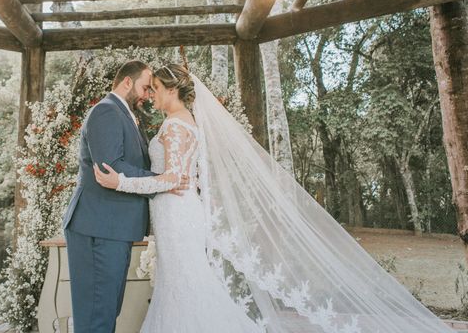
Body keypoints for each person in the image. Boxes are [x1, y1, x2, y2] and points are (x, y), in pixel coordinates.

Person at [95, 64, 453, 333]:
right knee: (183, 282)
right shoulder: (186, 122)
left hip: (177, 214)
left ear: (172, 90)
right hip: (177, 214)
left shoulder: (174, 126)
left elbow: (174, 178)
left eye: (155, 88)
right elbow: (191, 177)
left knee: (186, 284)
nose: (151, 95)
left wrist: (121, 183)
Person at [62, 60, 188, 333]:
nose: (147, 95)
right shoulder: (106, 112)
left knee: (107, 310)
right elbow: (110, 166)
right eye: (145, 87)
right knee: (98, 314)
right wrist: (163, 182)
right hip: (99, 227)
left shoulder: (127, 115)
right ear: (127, 82)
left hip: (112, 227)